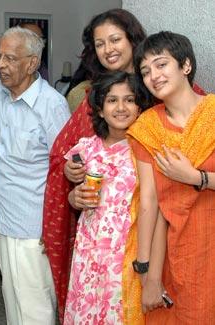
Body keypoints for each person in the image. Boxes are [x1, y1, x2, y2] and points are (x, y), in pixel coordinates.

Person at [42, 9, 147, 322]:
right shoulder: (90, 96)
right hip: (94, 239)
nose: (108, 49)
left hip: (139, 237)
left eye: (115, 39)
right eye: (100, 44)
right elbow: (65, 153)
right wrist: (69, 173)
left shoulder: (156, 85)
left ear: (133, 40)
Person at [127, 31, 215, 323]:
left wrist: (197, 177)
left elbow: (196, 180)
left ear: (186, 65)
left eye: (161, 64)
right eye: (145, 70)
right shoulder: (147, 128)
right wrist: (146, 272)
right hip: (176, 253)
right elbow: (150, 204)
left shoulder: (213, 113)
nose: (154, 75)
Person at [0, 26, 70, 325]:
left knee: (35, 306)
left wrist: (55, 226)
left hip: (34, 226)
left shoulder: (52, 105)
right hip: (1, 218)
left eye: (9, 58)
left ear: (32, 63)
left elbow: (65, 169)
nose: (0, 65)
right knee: (11, 297)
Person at [63, 71, 152, 324]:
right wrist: (74, 197)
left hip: (126, 250)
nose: (121, 107)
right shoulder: (86, 148)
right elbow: (73, 194)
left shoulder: (145, 150)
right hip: (89, 250)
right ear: (100, 109)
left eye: (130, 100)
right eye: (112, 100)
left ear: (139, 107)